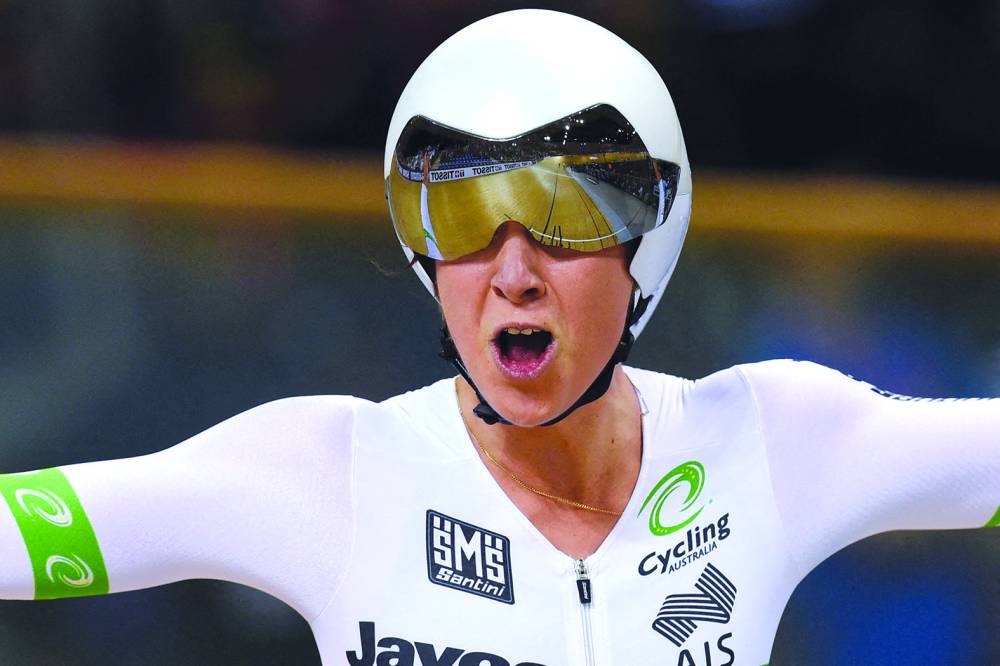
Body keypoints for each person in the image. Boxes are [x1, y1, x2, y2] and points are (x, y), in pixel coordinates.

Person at [0, 9, 997, 666]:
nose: (509, 272)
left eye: (558, 218)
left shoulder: (774, 441)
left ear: (646, 246)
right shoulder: (318, 472)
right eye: (464, 219)